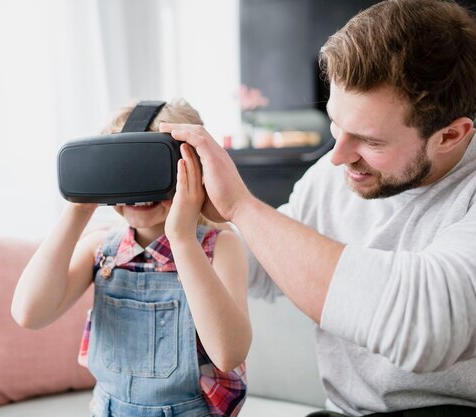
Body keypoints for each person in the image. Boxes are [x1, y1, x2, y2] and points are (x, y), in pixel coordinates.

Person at [159, 1, 476, 416]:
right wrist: (185, 213)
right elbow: (262, 268)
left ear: (451, 135)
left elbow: (424, 326)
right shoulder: (333, 179)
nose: (338, 156)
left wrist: (243, 207)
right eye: (334, 124)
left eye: (371, 141)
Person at [11, 99, 251, 417]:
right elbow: (29, 313)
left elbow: (228, 353)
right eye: (123, 170)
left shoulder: (219, 247)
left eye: (151, 169)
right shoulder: (101, 249)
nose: (138, 189)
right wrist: (79, 207)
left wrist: (181, 238)